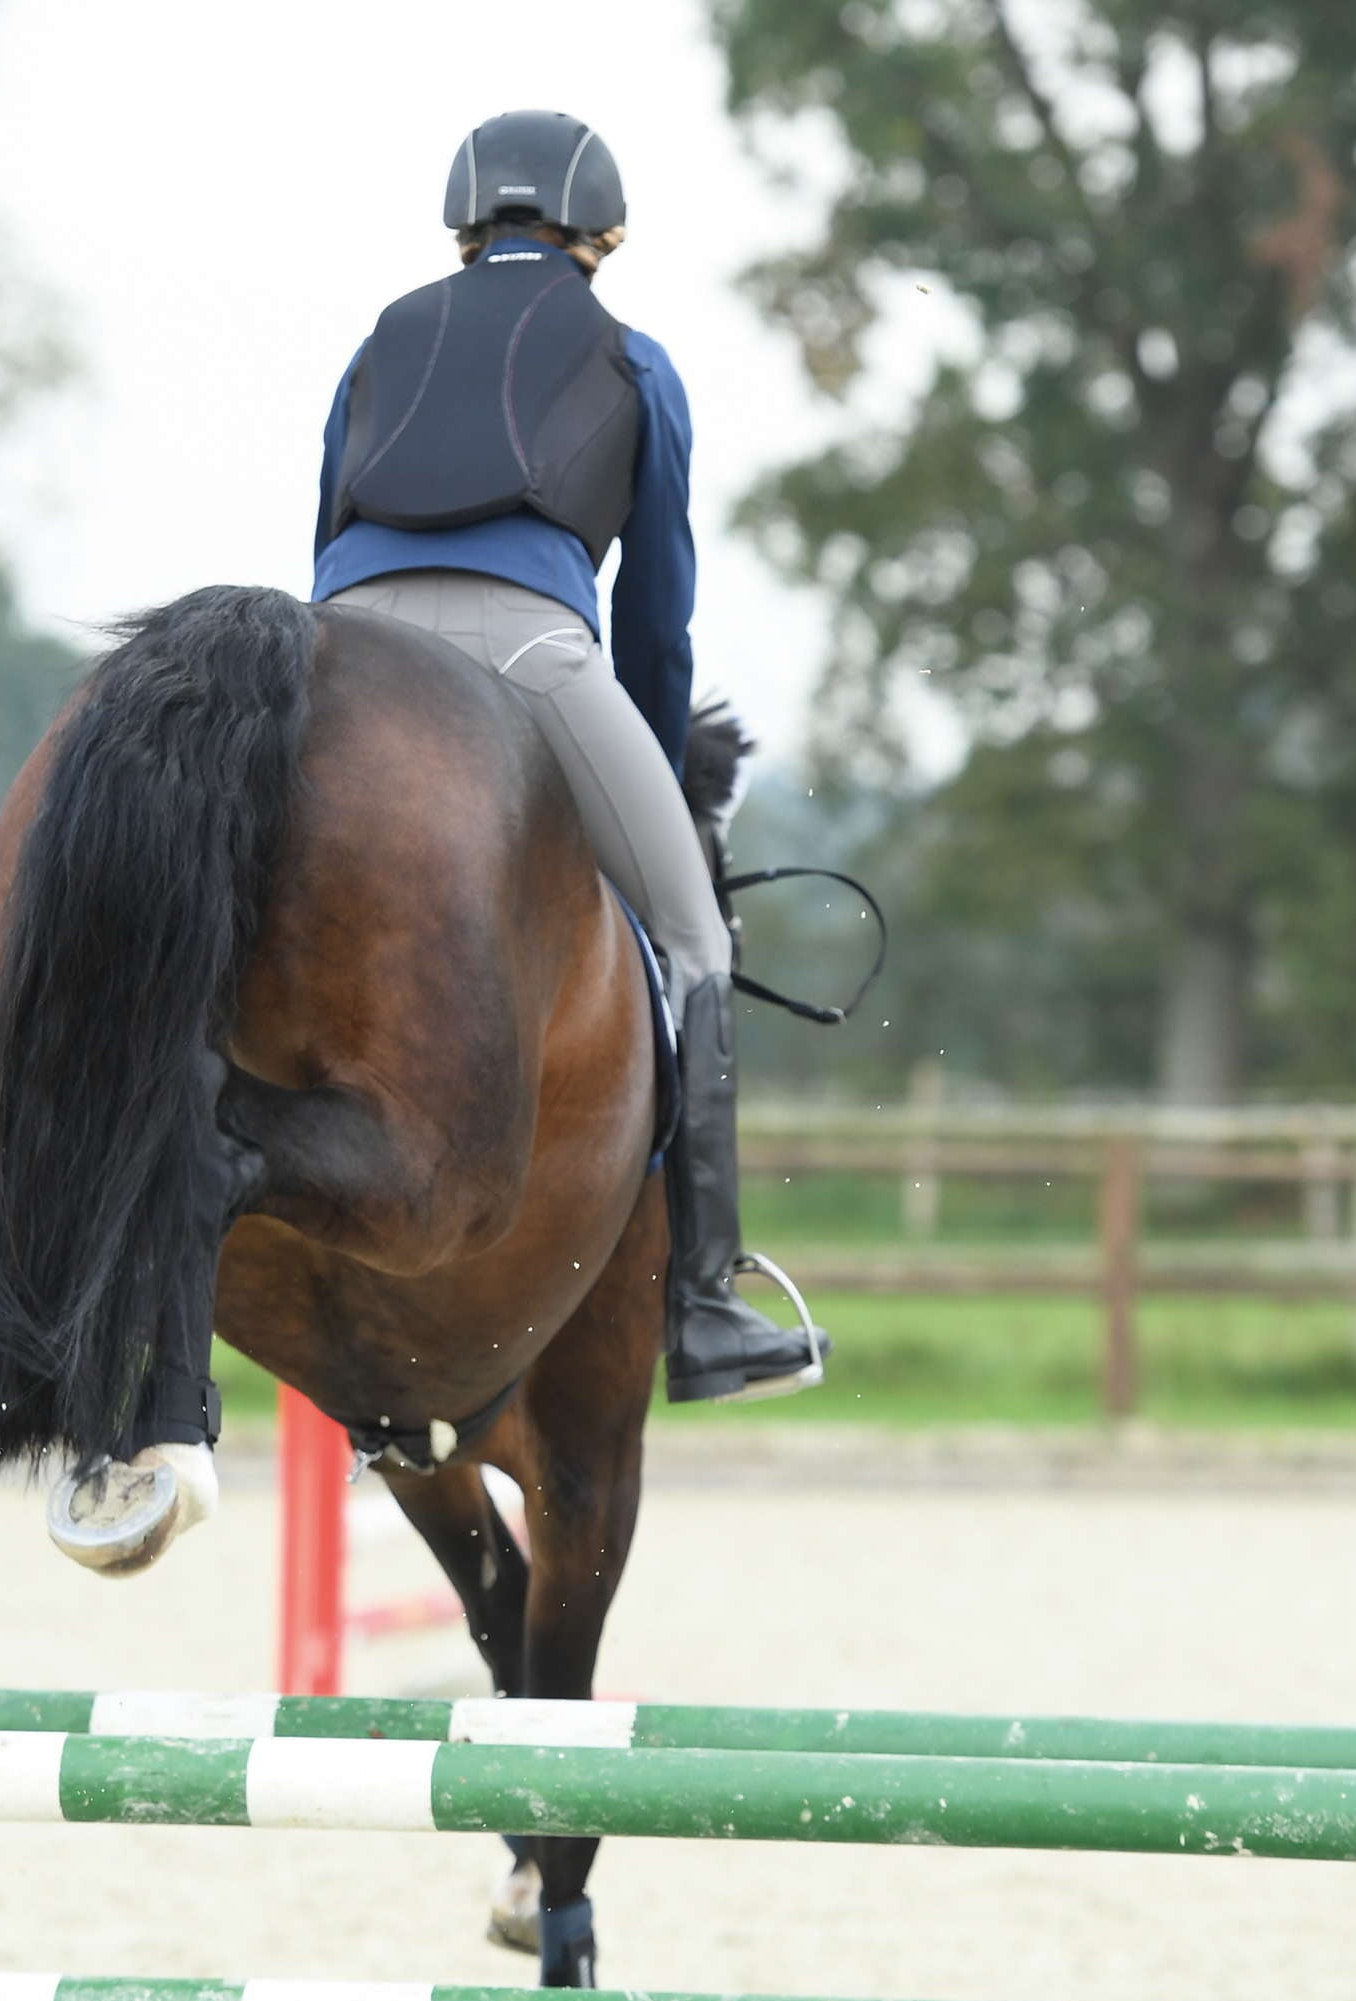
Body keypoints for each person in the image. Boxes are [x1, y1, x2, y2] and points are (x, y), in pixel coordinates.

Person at [313, 109, 825, 1404]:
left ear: (463, 224)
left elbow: (321, 533)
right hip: (533, 654)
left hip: (341, 650)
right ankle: (702, 1302)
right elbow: (657, 614)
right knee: (697, 940)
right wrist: (659, 776)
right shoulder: (630, 357)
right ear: (601, 232)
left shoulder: (378, 341)